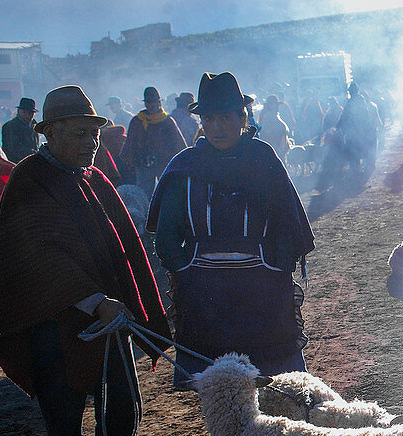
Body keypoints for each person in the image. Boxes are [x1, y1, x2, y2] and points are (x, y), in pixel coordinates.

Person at [0, 85, 170, 436]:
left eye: (93, 132)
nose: (91, 142)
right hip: (54, 324)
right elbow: (37, 256)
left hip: (110, 320)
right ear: (49, 133)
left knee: (121, 402)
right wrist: (92, 301)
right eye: (79, 133)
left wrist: (131, 303)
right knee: (63, 413)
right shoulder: (29, 179)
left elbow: (125, 247)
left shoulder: (94, 178)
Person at [147, 72, 314, 389]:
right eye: (208, 118)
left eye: (225, 117)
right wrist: (185, 268)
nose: (216, 127)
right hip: (205, 298)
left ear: (242, 117)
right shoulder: (185, 167)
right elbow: (166, 235)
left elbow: (286, 222)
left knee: (275, 382)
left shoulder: (263, 160)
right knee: (219, 391)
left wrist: (275, 266)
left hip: (262, 293)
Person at [122, 86, 187, 194]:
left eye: (153, 102)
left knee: (166, 190)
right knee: (144, 192)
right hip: (143, 163)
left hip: (164, 162)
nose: (151, 105)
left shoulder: (167, 121)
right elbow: (130, 142)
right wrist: (131, 159)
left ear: (159, 102)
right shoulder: (138, 121)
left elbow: (178, 143)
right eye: (148, 102)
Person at [0, 97, 39, 163]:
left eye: (30, 113)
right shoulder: (10, 126)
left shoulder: (34, 127)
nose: (27, 115)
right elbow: (13, 150)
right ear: (18, 111)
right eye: (24, 112)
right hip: (15, 165)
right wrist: (34, 154)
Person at [258, 94, 292, 159]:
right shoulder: (270, 116)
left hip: (268, 150)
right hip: (274, 150)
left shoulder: (265, 115)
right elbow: (282, 131)